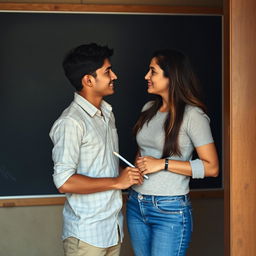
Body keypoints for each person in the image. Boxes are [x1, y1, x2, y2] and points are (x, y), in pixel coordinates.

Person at [49, 43, 143, 256]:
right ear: (88, 80)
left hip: (112, 229)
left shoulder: (107, 114)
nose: (114, 76)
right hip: (87, 235)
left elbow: (101, 164)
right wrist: (117, 181)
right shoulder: (71, 122)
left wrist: (126, 173)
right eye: (108, 71)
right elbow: (64, 182)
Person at [126, 49, 219, 256]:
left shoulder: (193, 116)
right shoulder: (148, 108)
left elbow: (212, 168)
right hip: (136, 203)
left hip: (169, 209)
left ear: (172, 76)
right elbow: (143, 153)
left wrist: (163, 164)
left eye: (152, 71)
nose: (146, 77)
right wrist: (135, 171)